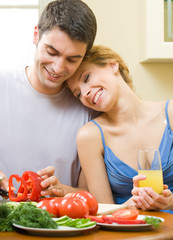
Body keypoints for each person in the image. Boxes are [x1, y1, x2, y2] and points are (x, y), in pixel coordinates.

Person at [0, 0, 97, 197]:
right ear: (36, 35)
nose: (58, 68)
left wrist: (63, 190)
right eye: (52, 52)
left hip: (56, 223)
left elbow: (92, 193)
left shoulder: (88, 108)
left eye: (72, 59)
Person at [66, 45, 173, 212]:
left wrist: (170, 203)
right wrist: (127, 207)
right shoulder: (90, 136)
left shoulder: (170, 113)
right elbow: (103, 211)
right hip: (128, 233)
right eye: (78, 93)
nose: (85, 93)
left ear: (112, 65)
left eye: (86, 78)